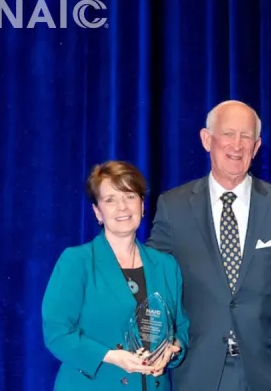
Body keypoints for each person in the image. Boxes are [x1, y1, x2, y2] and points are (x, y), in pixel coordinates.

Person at [146, 100, 271, 391]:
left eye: (246, 136)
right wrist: (159, 339)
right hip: (197, 367)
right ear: (206, 139)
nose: (236, 145)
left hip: (269, 371)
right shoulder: (173, 207)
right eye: (228, 134)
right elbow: (155, 285)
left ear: (257, 145)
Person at [42, 160, 189, 391]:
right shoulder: (77, 262)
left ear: (142, 205)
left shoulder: (166, 265)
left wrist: (172, 350)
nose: (122, 207)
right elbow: (57, 334)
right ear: (97, 212)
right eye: (110, 199)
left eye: (130, 196)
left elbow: (181, 326)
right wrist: (110, 356)